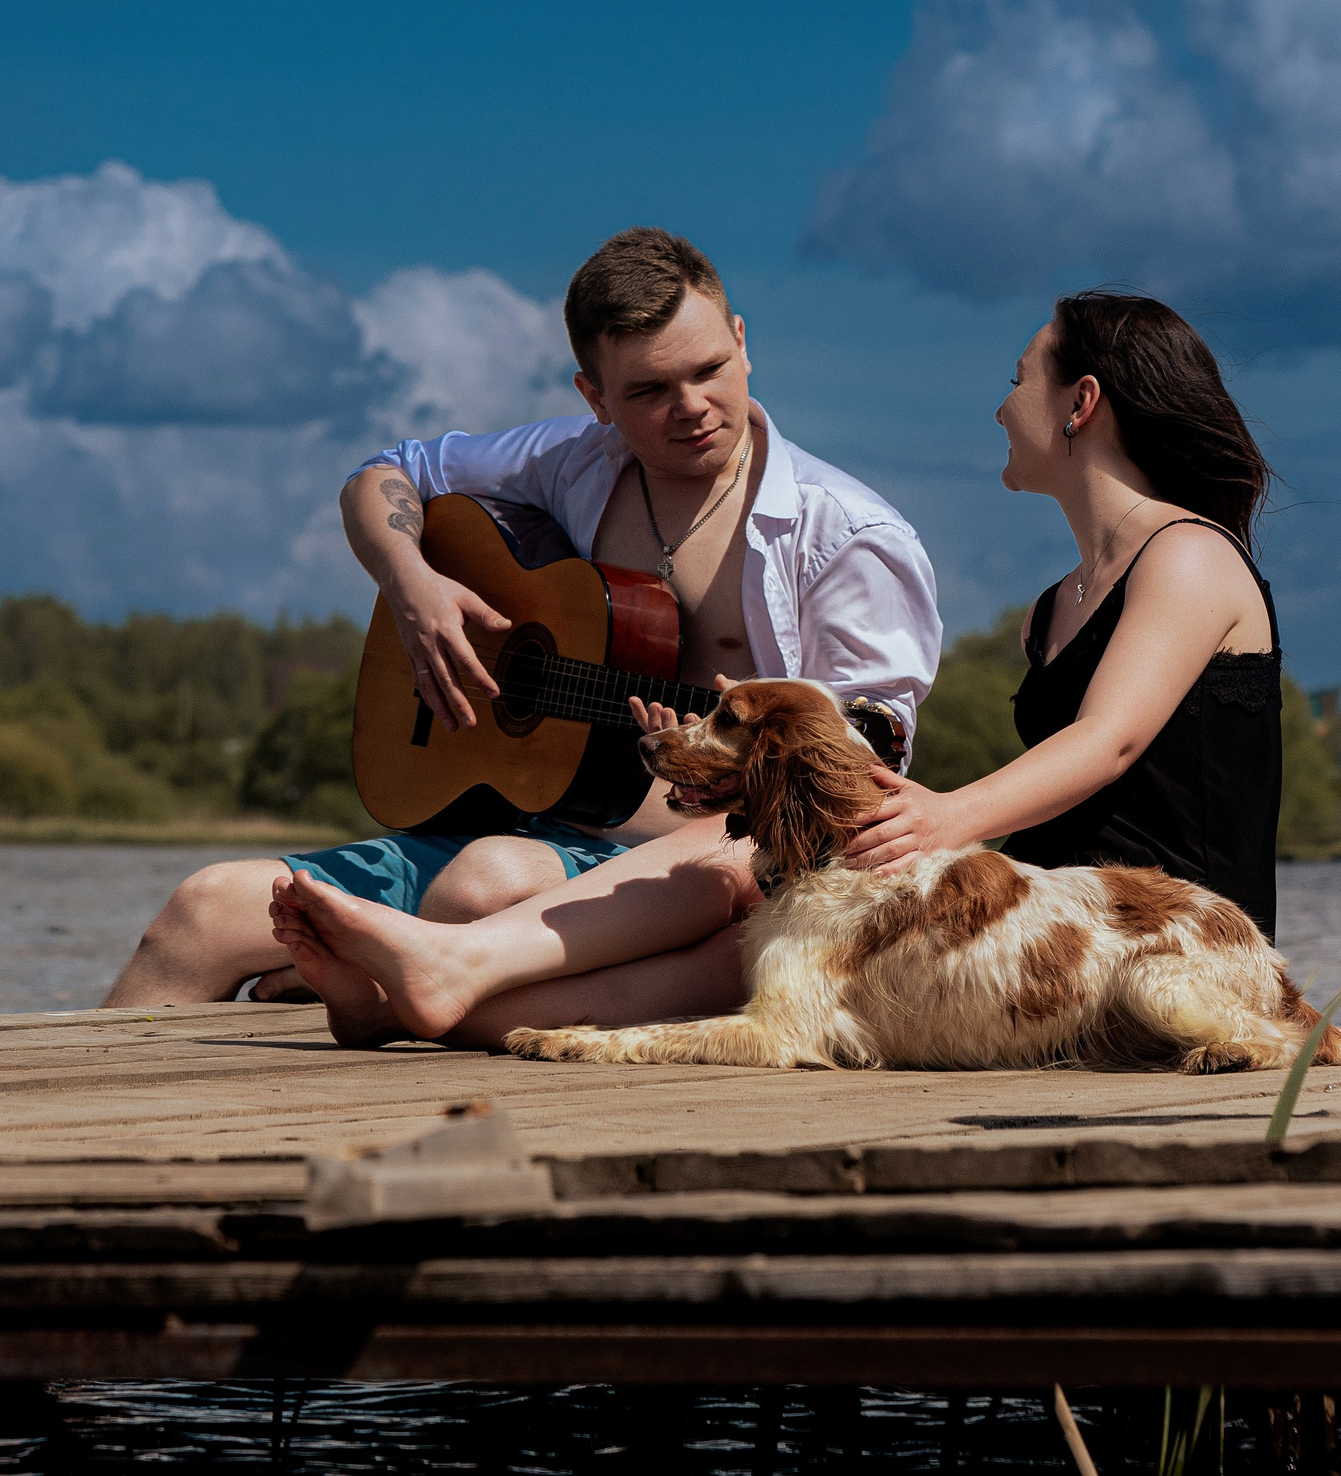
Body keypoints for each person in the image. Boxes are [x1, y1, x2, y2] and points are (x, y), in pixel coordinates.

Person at [267, 287, 1285, 1049]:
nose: (999, 405)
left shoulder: (1185, 554)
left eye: (1018, 377)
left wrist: (944, 817)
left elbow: (1108, 740)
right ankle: (410, 993)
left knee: (748, 948)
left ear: (1081, 403)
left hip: (1162, 936)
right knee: (753, 941)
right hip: (1034, 920)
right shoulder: (1057, 602)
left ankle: (432, 979)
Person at [101, 226, 941, 1022]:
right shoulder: (572, 462)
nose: (693, 406)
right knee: (202, 911)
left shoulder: (849, 541)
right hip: (524, 820)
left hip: (709, 864)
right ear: (594, 396)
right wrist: (412, 584)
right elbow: (385, 472)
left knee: (484, 883)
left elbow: (866, 784)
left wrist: (709, 771)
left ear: (743, 340)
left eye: (711, 369)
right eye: (649, 390)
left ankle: (368, 983)